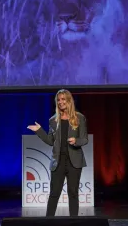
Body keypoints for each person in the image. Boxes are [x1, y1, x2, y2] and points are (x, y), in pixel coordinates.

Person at [27, 89, 88, 217]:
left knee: (73, 193)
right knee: (54, 193)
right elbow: (50, 141)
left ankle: (74, 221)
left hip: (74, 162)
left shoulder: (79, 118)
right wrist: (39, 131)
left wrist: (76, 141)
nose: (60, 102)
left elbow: (84, 139)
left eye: (63, 99)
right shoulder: (53, 120)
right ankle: (48, 221)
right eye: (58, 100)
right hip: (58, 161)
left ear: (69, 101)